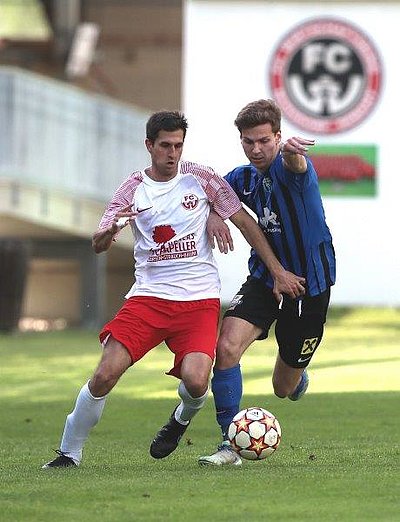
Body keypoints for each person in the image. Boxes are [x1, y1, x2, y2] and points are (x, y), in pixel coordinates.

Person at [42, 110, 305, 468]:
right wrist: (106, 234)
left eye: (178, 146)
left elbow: (243, 220)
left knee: (198, 382)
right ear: (149, 145)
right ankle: (69, 452)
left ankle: (181, 418)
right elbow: (99, 242)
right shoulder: (132, 189)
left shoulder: (201, 178)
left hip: (198, 302)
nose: (172, 154)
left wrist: (277, 271)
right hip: (149, 298)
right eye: (165, 145)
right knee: (105, 374)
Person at [199, 99, 336, 467]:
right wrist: (215, 215)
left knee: (282, 388)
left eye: (264, 141)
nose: (256, 149)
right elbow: (217, 196)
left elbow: (297, 165)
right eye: (248, 142)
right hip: (264, 275)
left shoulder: (292, 169)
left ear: (278, 136)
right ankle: (230, 444)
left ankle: (298, 376)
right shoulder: (243, 177)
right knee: (226, 347)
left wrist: (292, 155)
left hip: (309, 283)